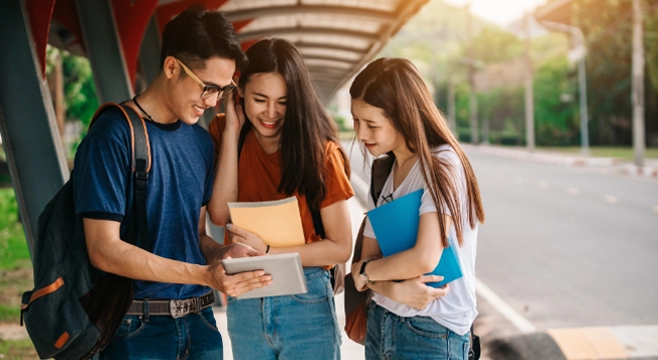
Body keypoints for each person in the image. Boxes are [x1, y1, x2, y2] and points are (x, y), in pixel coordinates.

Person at [72, 6, 271, 359]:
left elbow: (192, 236)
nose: (212, 102)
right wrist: (204, 274)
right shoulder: (114, 135)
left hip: (202, 325)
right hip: (137, 331)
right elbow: (103, 249)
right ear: (171, 67)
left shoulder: (198, 142)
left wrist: (220, 255)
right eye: (207, 87)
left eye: (223, 91)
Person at [207, 37, 353, 359]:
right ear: (239, 89)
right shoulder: (222, 131)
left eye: (283, 102)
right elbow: (219, 216)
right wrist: (232, 131)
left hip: (305, 295)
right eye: (260, 99)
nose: (271, 113)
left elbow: (342, 246)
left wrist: (270, 251)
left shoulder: (320, 153)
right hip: (245, 294)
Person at [349, 58, 485, 360]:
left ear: (404, 117)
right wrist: (392, 289)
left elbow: (423, 258)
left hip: (432, 332)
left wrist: (367, 273)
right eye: (356, 121)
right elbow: (365, 258)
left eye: (372, 124)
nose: (361, 133)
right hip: (381, 322)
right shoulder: (385, 172)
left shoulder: (442, 164)